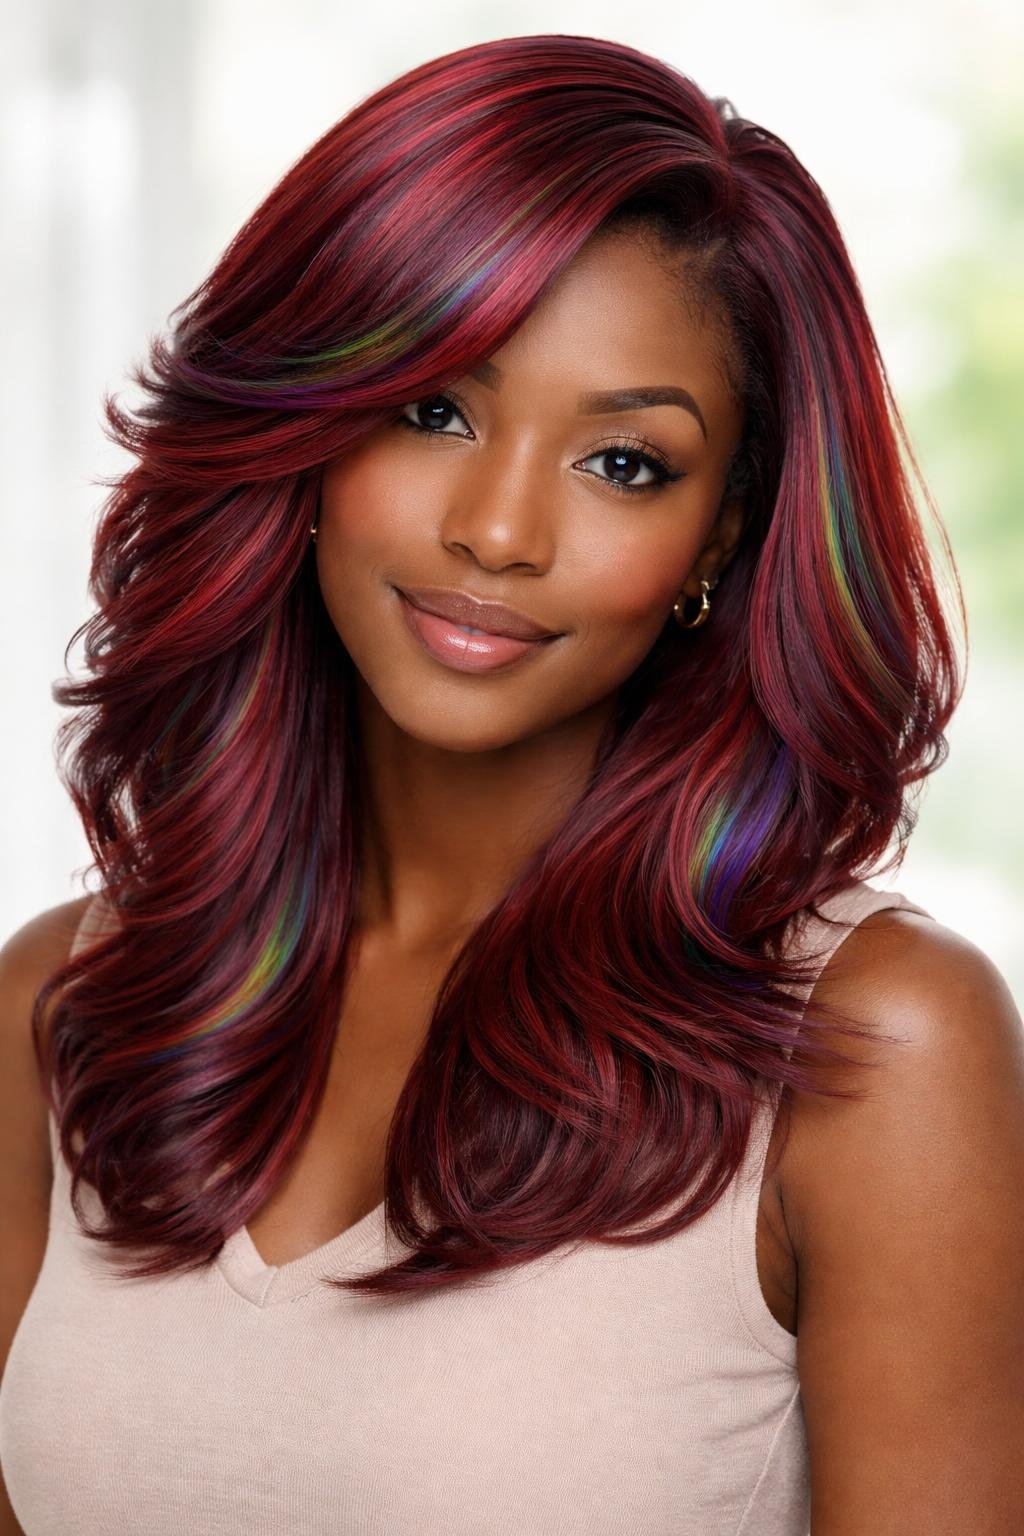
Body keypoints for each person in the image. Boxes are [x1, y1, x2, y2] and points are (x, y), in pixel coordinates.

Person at [1, 32, 1021, 1536]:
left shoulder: (876, 1050)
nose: (497, 531)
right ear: (301, 430)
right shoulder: (72, 1001)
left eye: (623, 464)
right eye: (434, 411)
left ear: (722, 543)